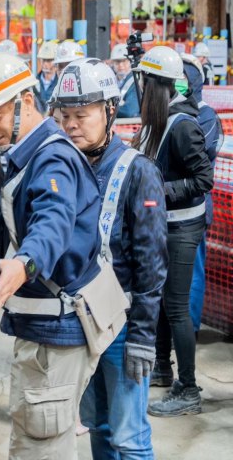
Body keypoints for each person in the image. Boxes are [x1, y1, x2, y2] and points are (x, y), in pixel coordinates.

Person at [0, 51, 109, 460]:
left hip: (56, 328)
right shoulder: (24, 157)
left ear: (25, 101)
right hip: (42, 323)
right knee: (40, 436)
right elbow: (19, 230)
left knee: (40, 445)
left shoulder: (52, 156)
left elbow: (52, 223)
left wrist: (24, 264)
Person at [51, 58, 168, 459]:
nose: (71, 125)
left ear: (110, 111)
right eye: (65, 115)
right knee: (98, 427)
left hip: (122, 328)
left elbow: (152, 265)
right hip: (78, 327)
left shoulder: (138, 171)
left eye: (81, 115)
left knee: (129, 437)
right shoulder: (63, 168)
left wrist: (142, 339)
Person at [130, 47, 213, 416]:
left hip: (182, 228)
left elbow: (203, 178)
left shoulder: (182, 126)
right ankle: (162, 369)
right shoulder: (160, 122)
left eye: (145, 82)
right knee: (163, 303)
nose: (141, 89)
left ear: (157, 86)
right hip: (165, 225)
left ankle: (189, 389)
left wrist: (162, 191)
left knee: (177, 308)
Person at [180, 55, 221, 334]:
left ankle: (189, 328)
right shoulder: (174, 114)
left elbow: (192, 160)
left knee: (192, 272)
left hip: (194, 208)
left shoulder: (206, 117)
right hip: (168, 208)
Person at [110, 44, 140, 118]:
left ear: (130, 62)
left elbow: (129, 111)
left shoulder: (135, 83)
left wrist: (108, 109)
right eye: (117, 62)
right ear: (112, 63)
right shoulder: (111, 81)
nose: (121, 65)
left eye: (124, 61)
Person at [35, 41, 59, 112]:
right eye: (43, 60)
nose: (45, 64)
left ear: (56, 61)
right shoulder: (34, 83)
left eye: (48, 60)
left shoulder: (60, 83)